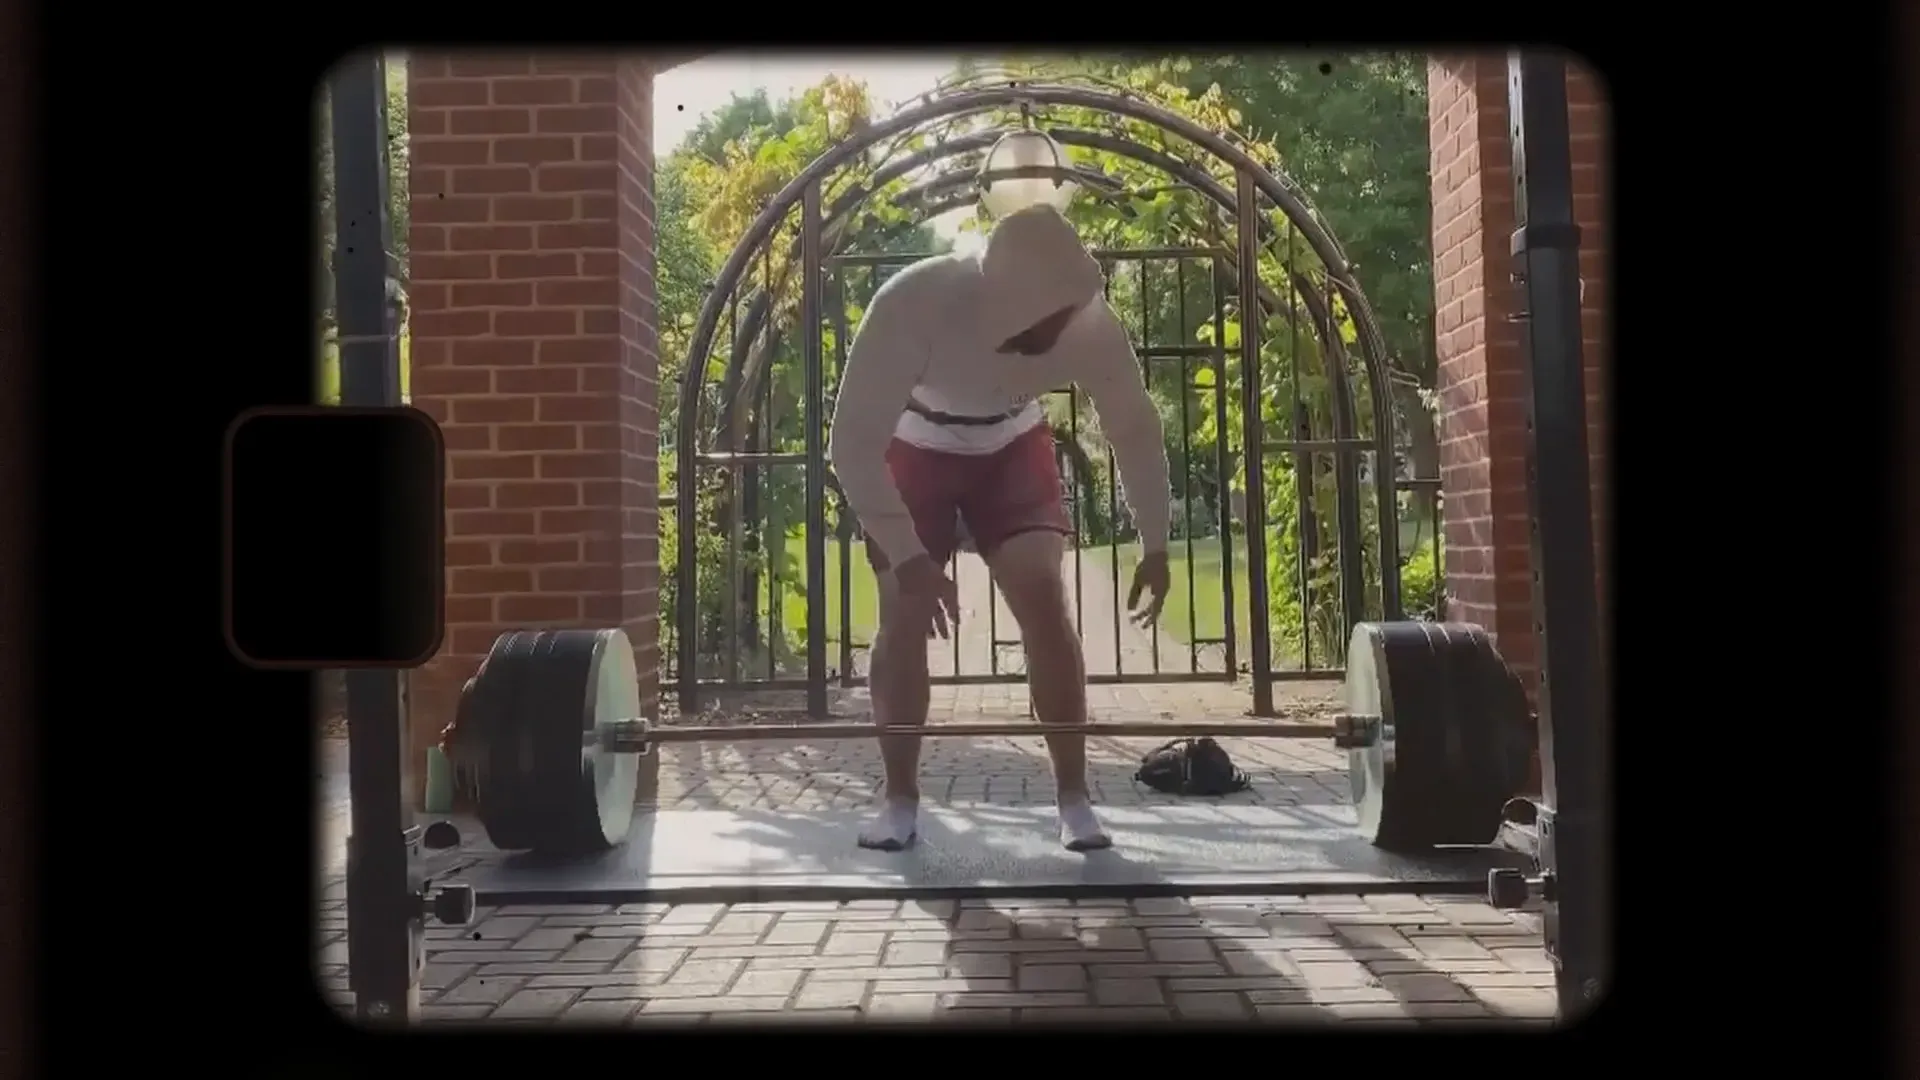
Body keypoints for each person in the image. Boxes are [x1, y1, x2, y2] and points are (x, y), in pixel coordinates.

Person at [828, 204, 1173, 853]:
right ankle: (899, 799)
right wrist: (908, 557)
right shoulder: (912, 302)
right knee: (902, 612)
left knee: (1043, 594)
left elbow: (1132, 426)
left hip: (1011, 447)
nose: (1053, 332)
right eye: (1036, 320)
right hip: (916, 446)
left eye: (1061, 316)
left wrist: (1154, 540)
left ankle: (1074, 798)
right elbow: (850, 444)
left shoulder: (1092, 324)